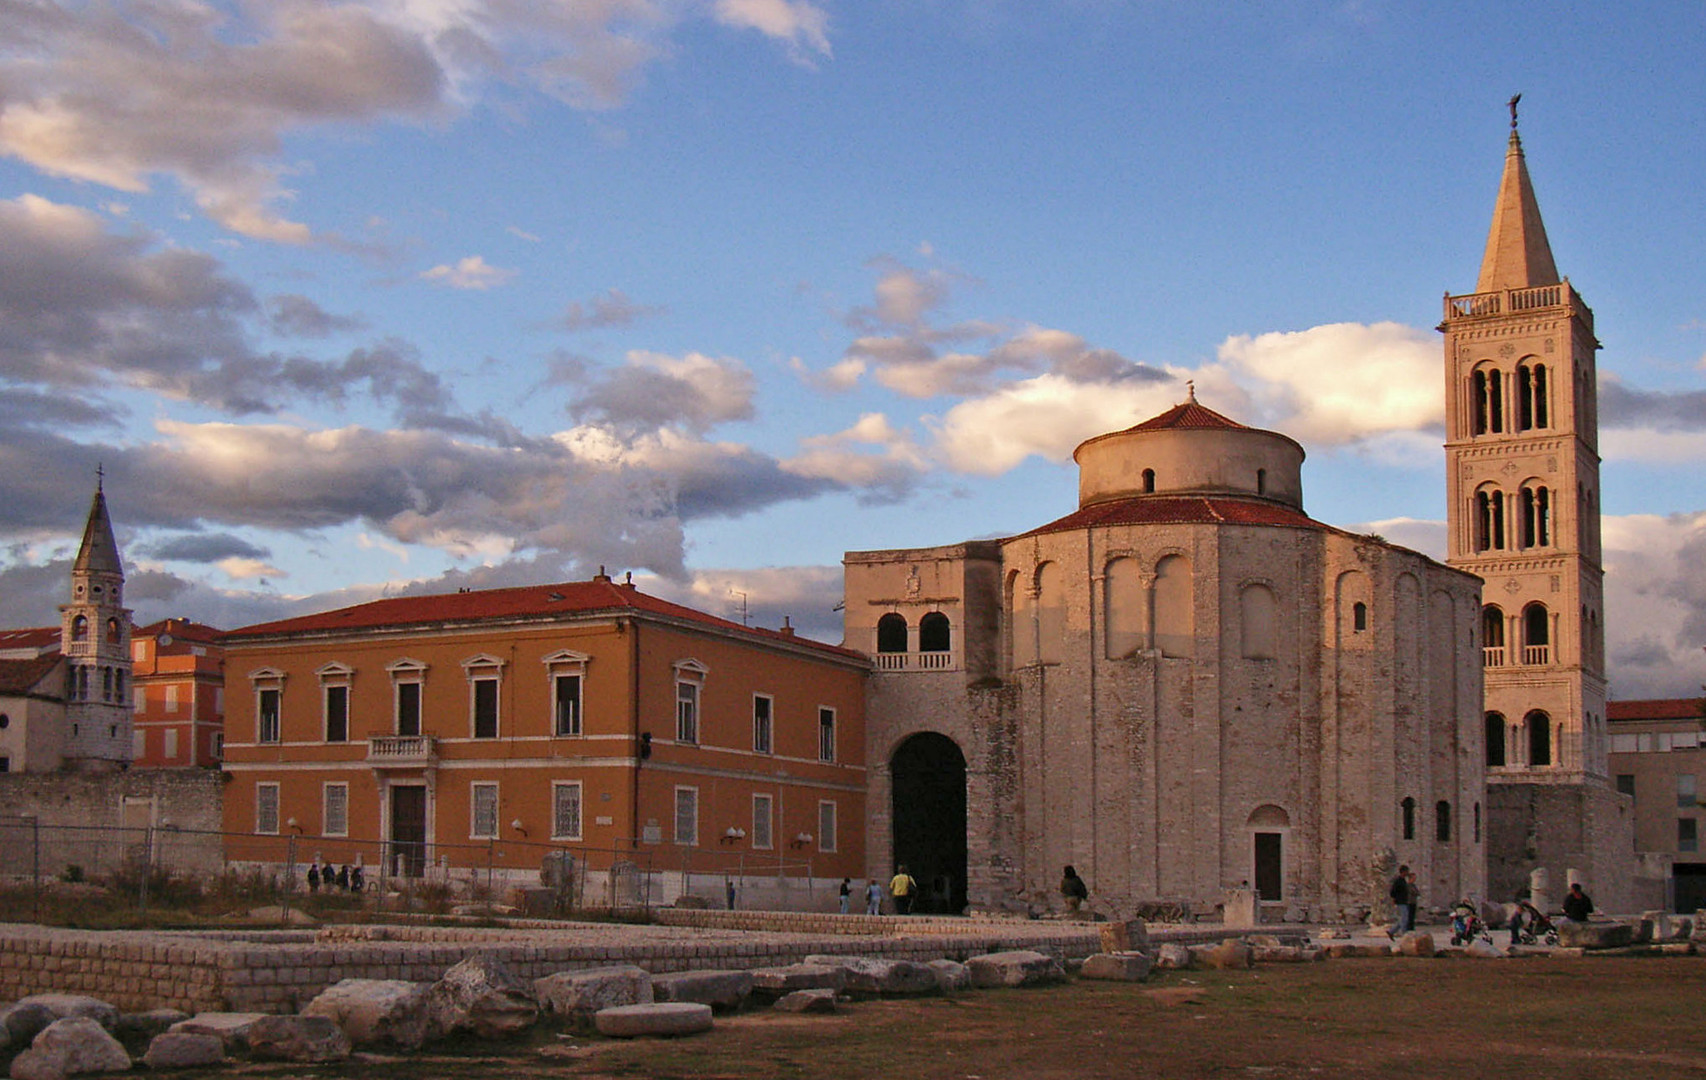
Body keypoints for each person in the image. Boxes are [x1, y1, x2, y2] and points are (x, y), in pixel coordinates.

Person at [1389, 864, 1411, 932]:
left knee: (1403, 918)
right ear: (1403, 872)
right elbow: (1393, 891)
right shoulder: (1398, 881)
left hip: (1404, 901)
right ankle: (1404, 932)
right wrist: (1393, 899)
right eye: (1407, 871)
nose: (1408, 873)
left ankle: (1391, 931)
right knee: (1404, 918)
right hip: (1400, 901)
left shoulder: (1403, 880)